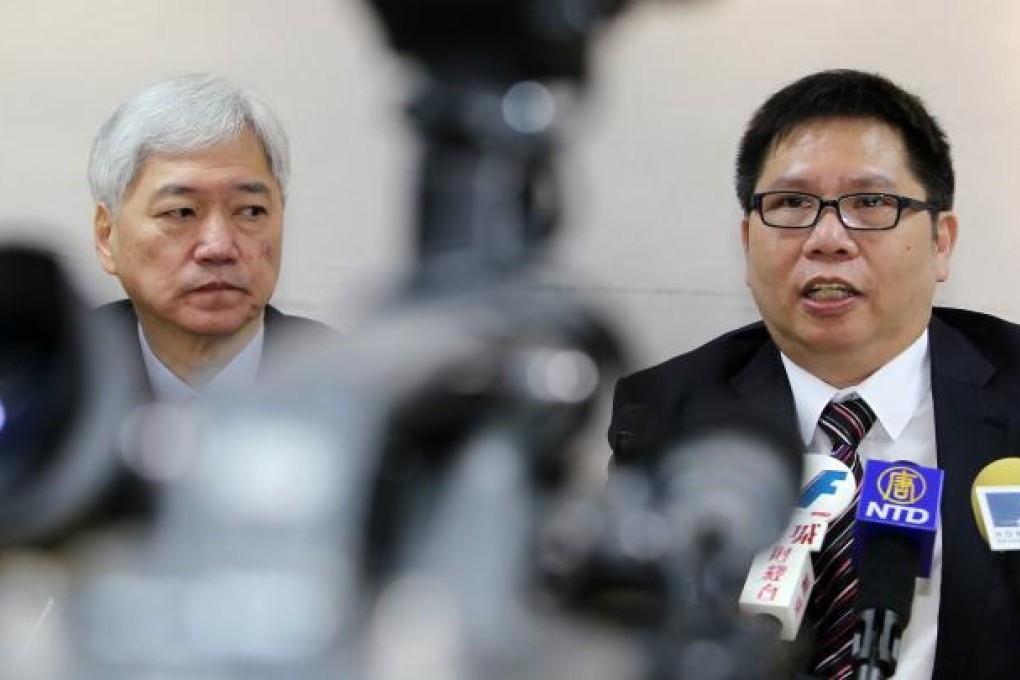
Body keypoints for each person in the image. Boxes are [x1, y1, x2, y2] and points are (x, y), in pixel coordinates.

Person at [608, 69, 1020, 679]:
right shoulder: (668, 413)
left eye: (871, 203)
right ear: (748, 242)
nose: (828, 239)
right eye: (792, 204)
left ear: (941, 241)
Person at [89, 73, 335, 401]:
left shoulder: (352, 379)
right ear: (107, 237)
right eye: (181, 212)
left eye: (251, 211)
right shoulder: (54, 377)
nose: (219, 247)